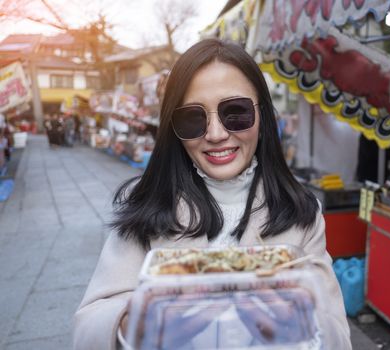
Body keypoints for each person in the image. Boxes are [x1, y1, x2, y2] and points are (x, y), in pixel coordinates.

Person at [73, 39, 350, 350]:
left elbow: (337, 334)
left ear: (263, 115)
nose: (216, 134)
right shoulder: (148, 203)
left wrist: (305, 320)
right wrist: (131, 326)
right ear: (172, 127)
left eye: (236, 112)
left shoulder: (301, 211)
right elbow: (89, 326)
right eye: (193, 118)